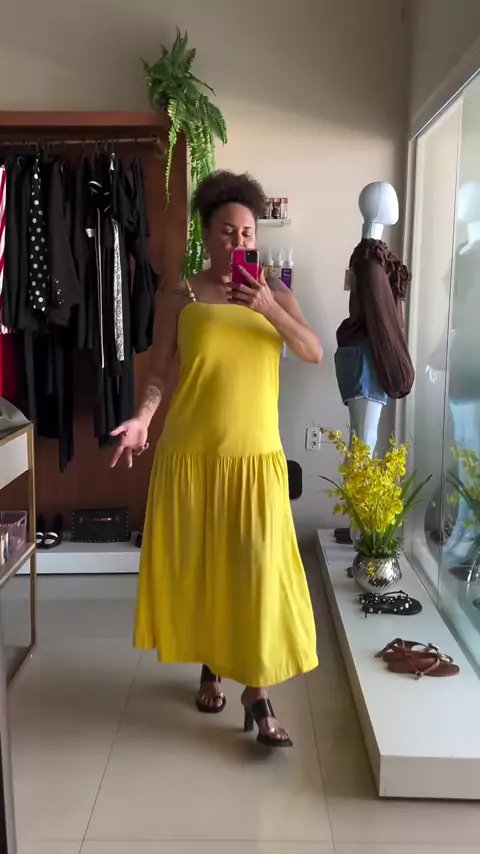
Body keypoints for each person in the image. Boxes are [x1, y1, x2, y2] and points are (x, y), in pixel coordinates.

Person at [111, 171, 323, 747]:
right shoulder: (180, 297)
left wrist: (268, 307)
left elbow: (312, 351)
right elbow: (160, 374)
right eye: (227, 232)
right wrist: (142, 419)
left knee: (258, 572)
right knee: (206, 567)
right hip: (192, 455)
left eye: (247, 233)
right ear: (206, 236)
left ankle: (258, 691)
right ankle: (213, 666)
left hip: (255, 460)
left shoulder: (274, 293)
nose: (238, 242)